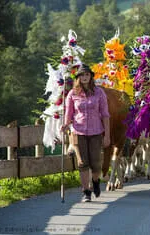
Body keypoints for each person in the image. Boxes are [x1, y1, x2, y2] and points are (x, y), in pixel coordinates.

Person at [60, 64, 110, 202]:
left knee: (96, 164)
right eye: (82, 75)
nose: (85, 77)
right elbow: (69, 113)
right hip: (78, 131)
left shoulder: (99, 92)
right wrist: (65, 125)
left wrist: (107, 135)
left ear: (91, 77)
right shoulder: (72, 94)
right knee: (82, 163)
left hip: (96, 131)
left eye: (87, 75)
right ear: (78, 78)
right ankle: (86, 191)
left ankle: (95, 182)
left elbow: (105, 115)